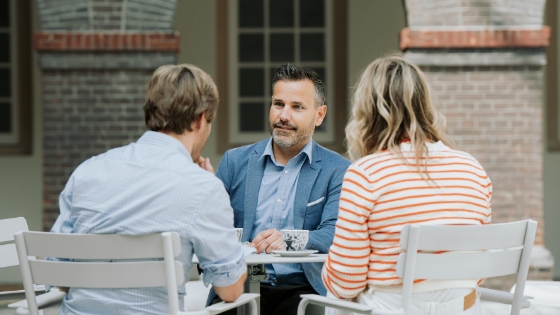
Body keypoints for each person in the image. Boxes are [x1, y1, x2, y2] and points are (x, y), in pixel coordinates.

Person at [49, 64, 251, 315]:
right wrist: (212, 201)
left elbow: (60, 274)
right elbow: (229, 290)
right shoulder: (203, 187)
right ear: (201, 119)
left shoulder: (87, 171)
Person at [322, 54, 492, 315]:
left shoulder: (365, 174)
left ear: (367, 112)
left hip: (390, 309)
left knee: (335, 301)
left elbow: (346, 283)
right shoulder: (473, 169)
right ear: (425, 105)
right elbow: (476, 272)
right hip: (464, 310)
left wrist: (329, 271)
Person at [208, 64, 351, 315]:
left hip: (302, 289)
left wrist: (287, 239)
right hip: (241, 285)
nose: (284, 115)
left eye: (297, 107)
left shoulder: (337, 170)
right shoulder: (234, 162)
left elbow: (333, 234)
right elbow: (211, 226)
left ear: (319, 115)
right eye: (278, 104)